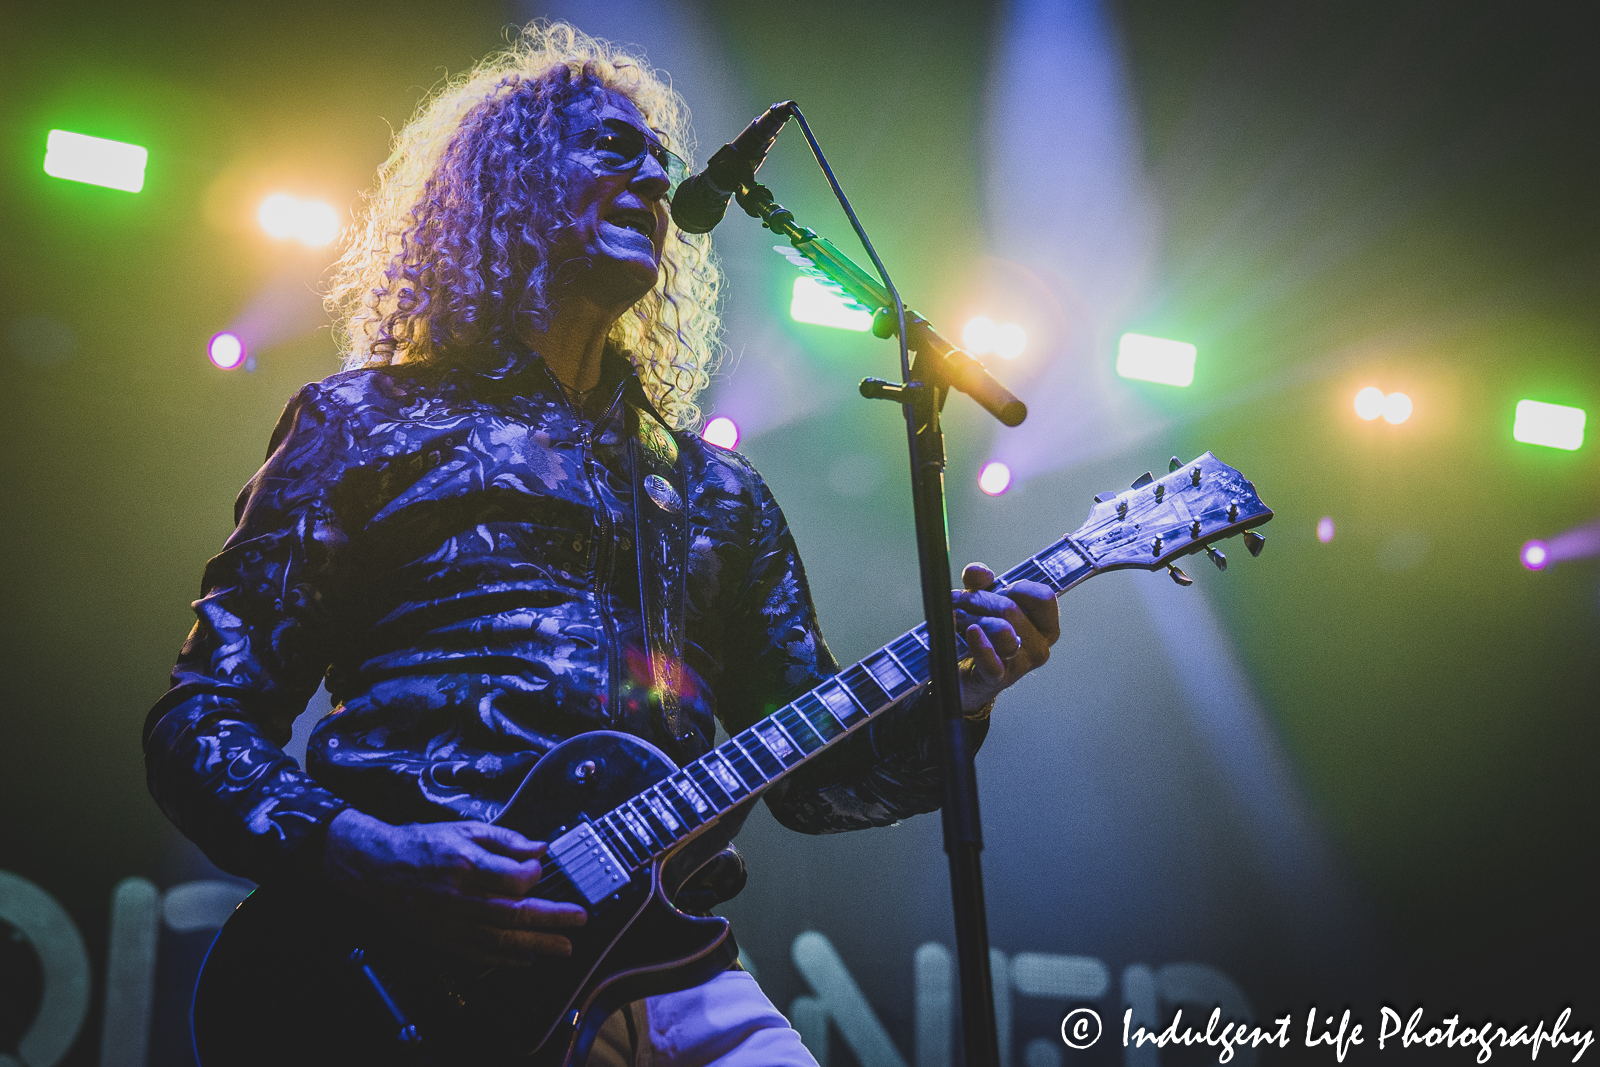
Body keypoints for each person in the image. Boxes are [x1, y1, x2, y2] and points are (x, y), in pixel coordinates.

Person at [143, 21, 1059, 1067]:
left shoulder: (718, 493)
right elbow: (200, 718)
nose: (652, 183)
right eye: (610, 151)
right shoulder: (366, 424)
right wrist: (370, 852)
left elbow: (817, 780)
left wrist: (965, 691)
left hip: (668, 964)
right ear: (511, 187)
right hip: (399, 955)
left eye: (660, 167)